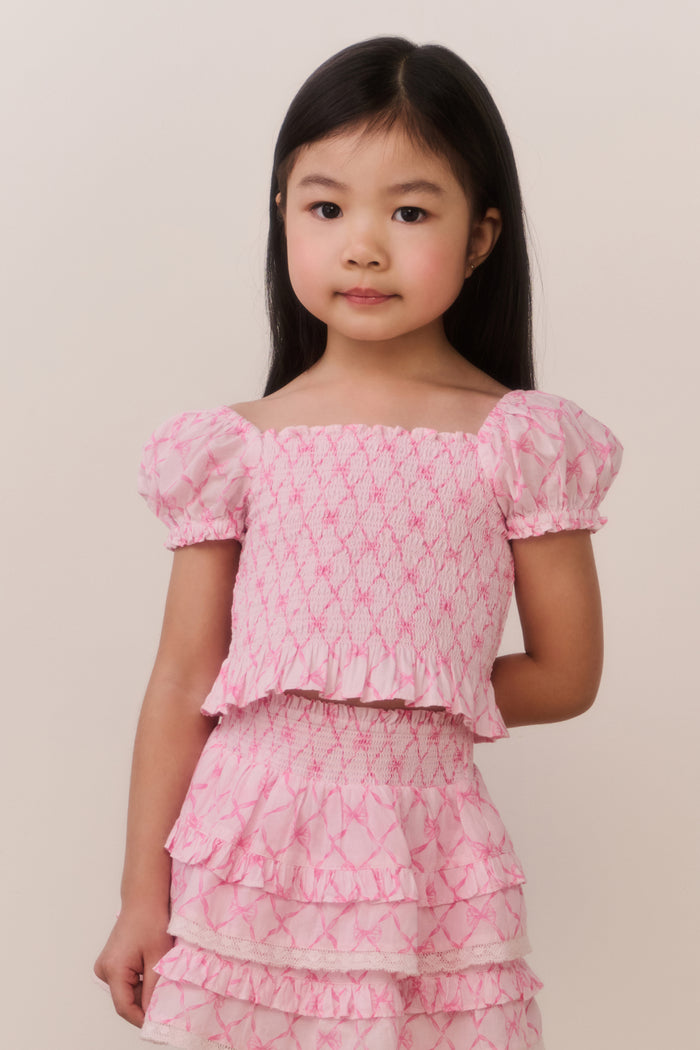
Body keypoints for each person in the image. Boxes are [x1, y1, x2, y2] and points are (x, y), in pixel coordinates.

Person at [94, 36, 623, 1050]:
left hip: (427, 854)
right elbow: (181, 679)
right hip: (239, 850)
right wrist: (138, 899)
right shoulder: (233, 448)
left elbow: (566, 674)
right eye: (326, 207)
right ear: (282, 219)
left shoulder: (518, 440)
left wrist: (394, 701)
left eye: (411, 211)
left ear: (480, 239)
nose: (363, 245)